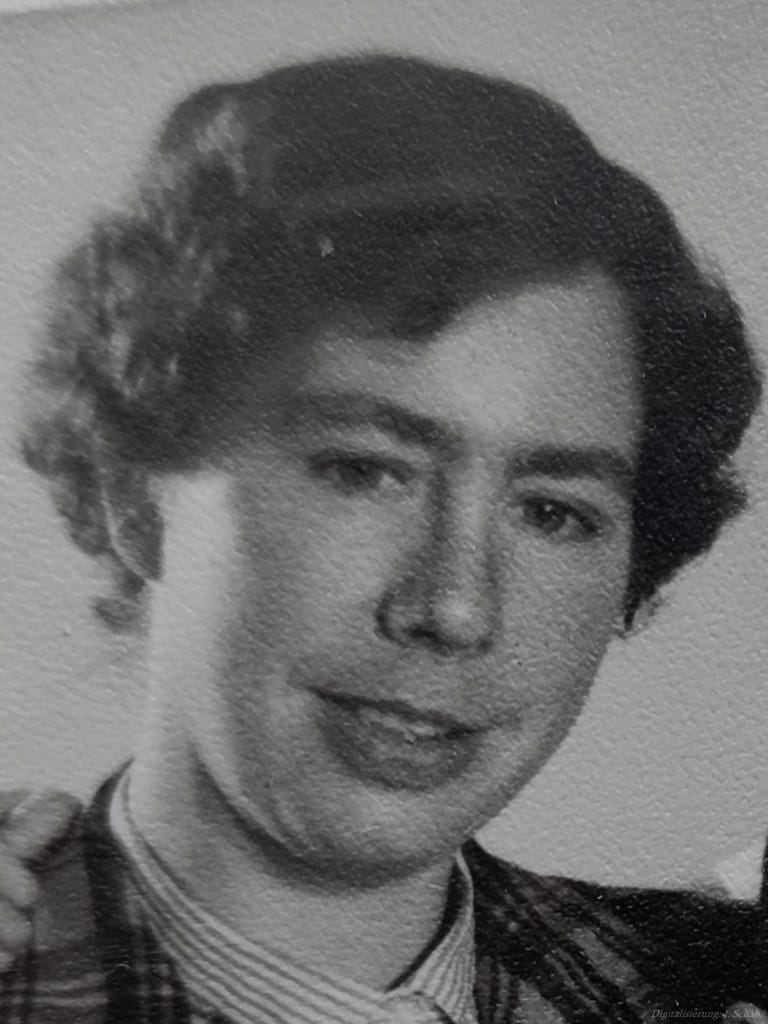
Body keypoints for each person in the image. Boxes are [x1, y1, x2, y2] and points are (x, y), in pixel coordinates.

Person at [0, 52, 764, 1023]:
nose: (455, 607)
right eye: (364, 470)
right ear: (137, 495)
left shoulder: (714, 983)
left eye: (552, 512)